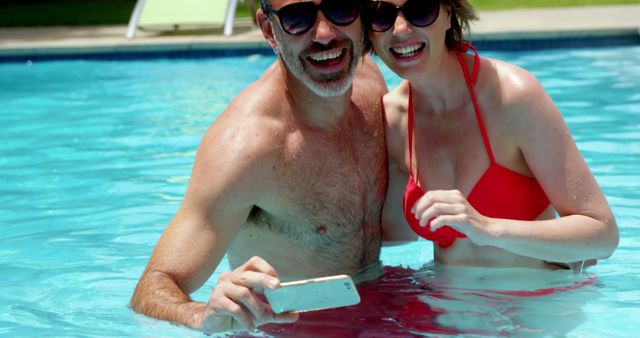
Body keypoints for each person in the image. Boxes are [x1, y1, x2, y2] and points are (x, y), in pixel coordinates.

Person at [130, 0, 388, 333]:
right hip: (291, 329)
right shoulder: (247, 146)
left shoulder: (371, 82)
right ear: (269, 30)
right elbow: (152, 286)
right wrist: (202, 313)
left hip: (381, 308)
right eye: (298, 18)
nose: (325, 35)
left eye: (340, 9)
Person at [364, 0, 619, 268]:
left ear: (449, 15)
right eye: (381, 16)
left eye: (420, 10)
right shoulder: (393, 119)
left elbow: (603, 235)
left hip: (538, 303)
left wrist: (488, 228)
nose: (401, 29)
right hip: (446, 304)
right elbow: (392, 238)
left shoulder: (511, 96)